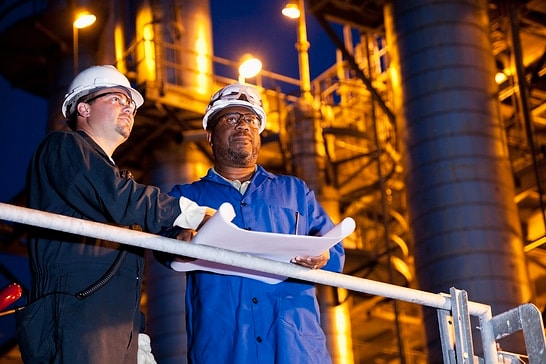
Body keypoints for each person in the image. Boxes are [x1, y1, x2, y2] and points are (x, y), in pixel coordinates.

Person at [15, 65, 214, 364]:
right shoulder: (63, 147)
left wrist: (138, 336)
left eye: (131, 105)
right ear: (83, 107)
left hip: (114, 324)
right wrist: (184, 212)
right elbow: (118, 197)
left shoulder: (117, 183)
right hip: (73, 316)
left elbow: (123, 268)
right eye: (117, 99)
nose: (129, 109)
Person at [163, 82, 345, 364]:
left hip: (295, 347)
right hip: (226, 348)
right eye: (231, 119)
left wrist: (323, 256)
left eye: (250, 120)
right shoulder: (186, 197)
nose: (243, 126)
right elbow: (163, 247)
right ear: (210, 135)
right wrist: (180, 240)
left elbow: (335, 254)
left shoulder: (294, 191)